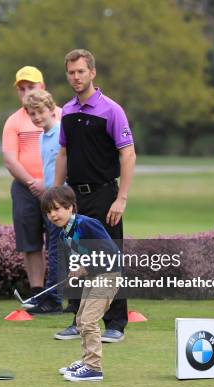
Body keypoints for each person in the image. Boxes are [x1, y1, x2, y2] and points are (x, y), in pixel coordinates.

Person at [54, 49, 136, 342]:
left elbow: (127, 154)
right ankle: (78, 320)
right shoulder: (67, 111)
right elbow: (63, 152)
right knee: (75, 256)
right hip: (74, 198)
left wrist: (121, 197)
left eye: (80, 71)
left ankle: (116, 323)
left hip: (105, 195)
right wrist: (56, 192)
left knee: (110, 256)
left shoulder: (111, 110)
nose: (76, 77)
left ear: (92, 72)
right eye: (71, 72)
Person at [41, 186, 119, 382]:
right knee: (81, 318)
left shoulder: (86, 224)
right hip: (95, 276)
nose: (53, 214)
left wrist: (85, 268)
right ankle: (86, 361)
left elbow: (109, 252)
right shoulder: (63, 234)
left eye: (57, 209)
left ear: (70, 208)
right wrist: (77, 270)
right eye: (49, 211)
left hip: (109, 274)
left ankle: (94, 368)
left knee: (89, 319)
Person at [2, 66, 61, 302]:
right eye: (22, 89)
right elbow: (10, 159)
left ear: (42, 87)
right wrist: (31, 182)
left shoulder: (61, 115)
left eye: (31, 87)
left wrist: (48, 183)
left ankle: (57, 292)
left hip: (56, 188)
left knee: (58, 242)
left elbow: (66, 155)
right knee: (31, 242)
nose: (26, 92)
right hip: (24, 188)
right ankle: (38, 292)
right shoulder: (13, 121)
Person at [22, 90, 63, 314]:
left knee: (58, 250)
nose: (36, 117)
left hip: (63, 200)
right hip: (50, 199)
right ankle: (54, 297)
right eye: (31, 114)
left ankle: (54, 300)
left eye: (39, 112)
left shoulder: (61, 133)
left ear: (51, 109)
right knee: (54, 249)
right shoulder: (42, 136)